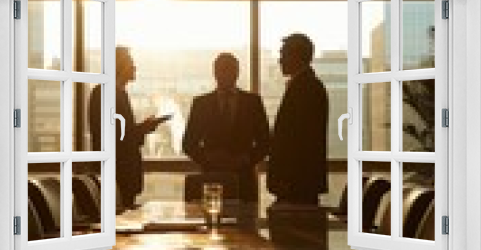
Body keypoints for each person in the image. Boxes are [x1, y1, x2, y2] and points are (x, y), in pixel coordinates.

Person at [182, 53, 270, 203]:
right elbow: (188, 143)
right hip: (213, 179)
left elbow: (266, 142)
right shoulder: (201, 104)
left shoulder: (253, 102)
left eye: (231, 70)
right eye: (223, 70)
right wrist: (209, 159)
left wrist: (246, 159)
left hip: (244, 180)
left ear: (237, 73)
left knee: (245, 222)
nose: (228, 74)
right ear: (215, 73)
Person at [88, 46, 164, 211]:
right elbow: (115, 138)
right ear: (119, 65)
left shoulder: (116, 93)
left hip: (122, 175)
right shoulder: (105, 93)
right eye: (131, 63)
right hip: (117, 174)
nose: (135, 67)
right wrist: (143, 129)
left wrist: (141, 129)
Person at [267, 33, 329, 205]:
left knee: (294, 229)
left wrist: (286, 180)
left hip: (296, 184)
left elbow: (301, 141)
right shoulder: (305, 85)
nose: (280, 60)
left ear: (296, 56)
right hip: (297, 183)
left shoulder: (306, 88)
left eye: (283, 54)